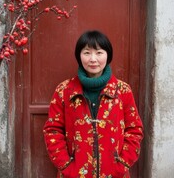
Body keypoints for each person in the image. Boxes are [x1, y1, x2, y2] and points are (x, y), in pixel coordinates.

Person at [43, 30, 144, 178]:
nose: (93, 59)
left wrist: (121, 165)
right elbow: (53, 130)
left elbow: (134, 130)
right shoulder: (64, 90)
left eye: (99, 52)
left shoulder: (122, 90)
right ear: (79, 55)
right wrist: (67, 167)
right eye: (86, 53)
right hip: (74, 174)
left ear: (108, 55)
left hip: (114, 174)